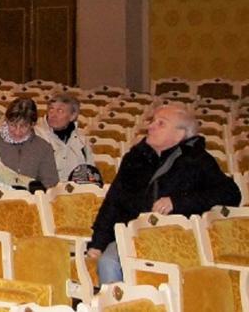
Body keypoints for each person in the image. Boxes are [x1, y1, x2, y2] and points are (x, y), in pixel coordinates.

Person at [87, 104, 241, 284]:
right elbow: (113, 202)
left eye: (161, 123)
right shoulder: (135, 158)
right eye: (153, 121)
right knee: (108, 263)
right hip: (133, 235)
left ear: (179, 134)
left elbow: (231, 194)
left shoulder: (197, 160)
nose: (151, 126)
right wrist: (98, 243)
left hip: (176, 239)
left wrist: (178, 202)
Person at [0, 98, 59, 191]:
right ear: (6, 121)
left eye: (24, 126)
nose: (17, 132)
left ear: (32, 124)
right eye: (13, 125)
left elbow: (50, 183)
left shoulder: (43, 147)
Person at [34, 93, 96, 181]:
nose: (53, 115)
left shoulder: (81, 140)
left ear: (73, 116)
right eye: (51, 110)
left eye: (60, 111)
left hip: (76, 190)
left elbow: (90, 171)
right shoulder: (36, 136)